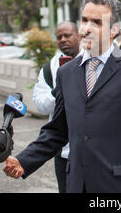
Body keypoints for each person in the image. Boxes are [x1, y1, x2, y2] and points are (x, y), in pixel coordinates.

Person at [4, 0, 121, 193]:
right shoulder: (65, 73)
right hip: (77, 184)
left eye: (96, 22)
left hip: (120, 187)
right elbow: (57, 131)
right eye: (84, 20)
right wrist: (23, 160)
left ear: (114, 30)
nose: (87, 29)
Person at [32, 21, 81, 193]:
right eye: (59, 37)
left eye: (67, 35)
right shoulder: (49, 70)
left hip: (94, 152)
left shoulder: (95, 63)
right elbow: (40, 105)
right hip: (63, 153)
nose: (63, 40)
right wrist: (58, 91)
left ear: (79, 35)